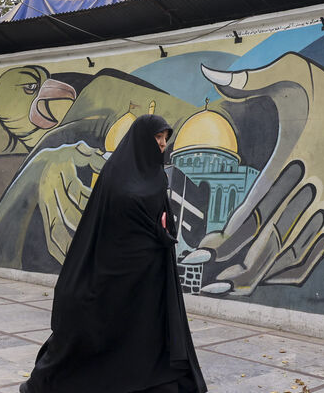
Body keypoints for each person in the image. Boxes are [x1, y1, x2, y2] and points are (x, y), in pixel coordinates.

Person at [21, 114, 206, 393]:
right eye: (158, 138)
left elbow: (163, 219)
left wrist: (164, 233)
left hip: (149, 275)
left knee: (144, 335)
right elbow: (110, 222)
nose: (163, 144)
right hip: (114, 271)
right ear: (142, 138)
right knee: (98, 330)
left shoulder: (157, 176)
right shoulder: (116, 174)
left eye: (166, 138)